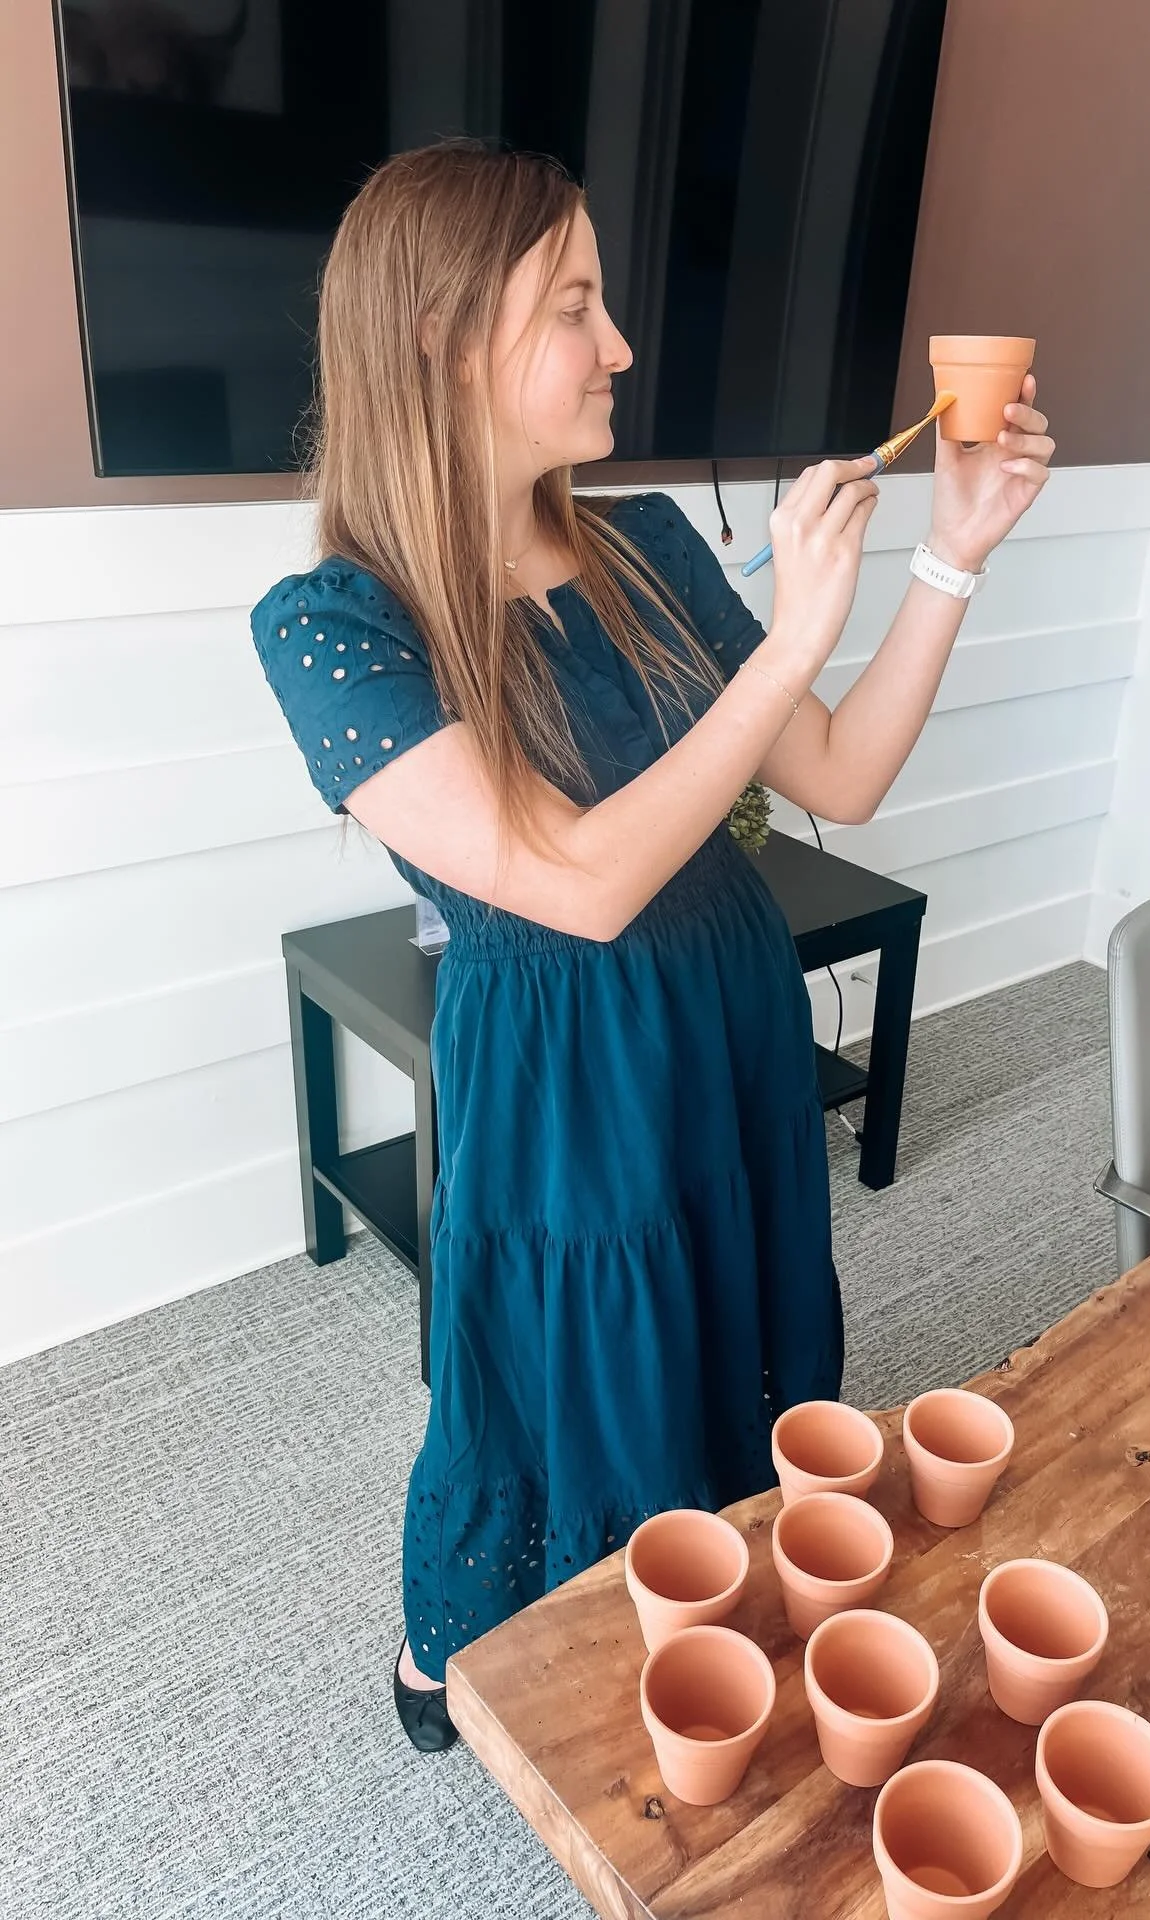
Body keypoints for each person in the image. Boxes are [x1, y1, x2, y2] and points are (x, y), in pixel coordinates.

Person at [250, 139, 1053, 1752]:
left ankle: (710, 1608)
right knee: (560, 1370)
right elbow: (577, 883)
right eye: (576, 306)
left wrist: (953, 550)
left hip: (724, 1017)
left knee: (739, 1308)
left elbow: (840, 773)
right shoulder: (339, 624)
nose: (620, 346)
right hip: (564, 1070)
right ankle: (458, 1663)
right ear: (443, 340)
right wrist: (799, 635)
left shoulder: (647, 547)